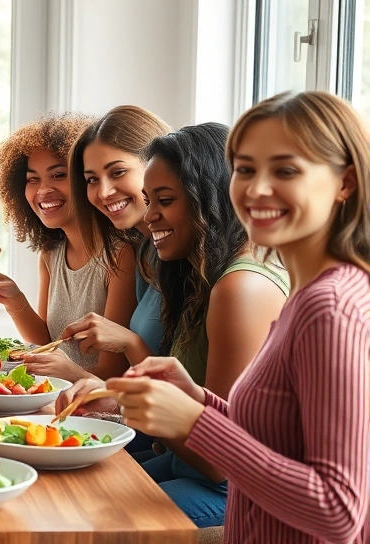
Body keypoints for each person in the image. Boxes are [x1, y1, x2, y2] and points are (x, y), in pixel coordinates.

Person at [100, 91, 369, 543]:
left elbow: (338, 509)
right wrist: (198, 400)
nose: (257, 189)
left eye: (285, 170)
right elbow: (278, 435)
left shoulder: (331, 309)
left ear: (345, 183)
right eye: (245, 169)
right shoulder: (308, 295)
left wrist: (194, 422)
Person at [65, 124, 290, 527]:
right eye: (150, 200)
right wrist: (116, 397)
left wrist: (127, 405)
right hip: (187, 467)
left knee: (85, 519)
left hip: (233, 490)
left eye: (164, 200)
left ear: (213, 197)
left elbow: (220, 459)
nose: (150, 216)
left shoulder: (242, 288)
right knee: (69, 494)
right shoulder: (201, 274)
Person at [0, 113, 136, 381]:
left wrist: (63, 376)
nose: (42, 190)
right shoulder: (51, 255)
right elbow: (48, 342)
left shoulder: (120, 255)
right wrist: (13, 299)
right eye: (32, 179)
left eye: (59, 175)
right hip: (60, 398)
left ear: (85, 179)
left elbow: (113, 371)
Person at [63, 105, 172, 360]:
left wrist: (129, 343)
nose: (103, 192)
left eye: (118, 172)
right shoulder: (146, 251)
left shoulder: (189, 258)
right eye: (92, 180)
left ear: (156, 165)